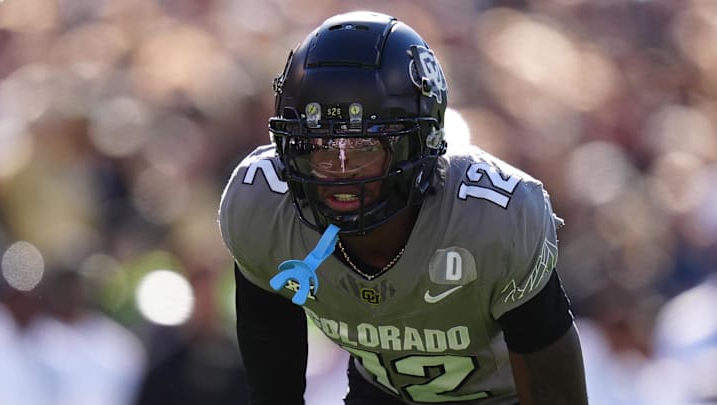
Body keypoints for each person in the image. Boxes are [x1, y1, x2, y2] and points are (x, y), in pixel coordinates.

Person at [219, 11, 587, 405]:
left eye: (363, 147)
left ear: (419, 143)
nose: (340, 170)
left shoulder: (493, 220)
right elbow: (274, 390)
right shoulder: (262, 206)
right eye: (319, 145)